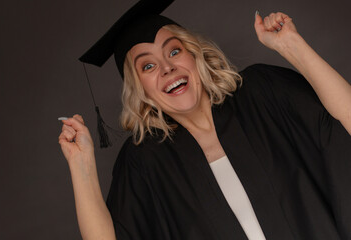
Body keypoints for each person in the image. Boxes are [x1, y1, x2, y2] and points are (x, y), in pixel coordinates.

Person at [59, 1, 351, 239]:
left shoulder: (262, 93)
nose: (167, 68)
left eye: (174, 51)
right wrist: (81, 165)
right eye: (148, 66)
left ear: (194, 54)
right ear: (140, 89)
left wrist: (292, 47)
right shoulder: (145, 162)